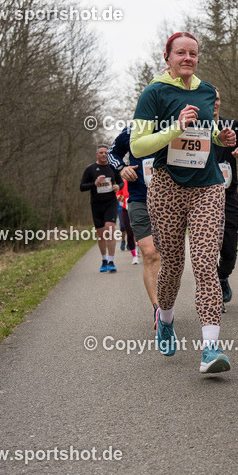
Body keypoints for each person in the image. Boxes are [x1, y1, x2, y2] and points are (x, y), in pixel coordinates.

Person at [130, 32, 238, 375]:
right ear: (168, 56)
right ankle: (165, 319)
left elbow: (211, 130)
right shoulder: (154, 93)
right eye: (181, 53)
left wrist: (223, 136)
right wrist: (174, 129)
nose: (188, 58)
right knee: (173, 265)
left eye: (193, 53)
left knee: (206, 264)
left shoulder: (208, 91)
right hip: (166, 187)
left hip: (207, 186)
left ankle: (210, 348)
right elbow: (137, 147)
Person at [108, 125, 162, 330]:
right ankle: (158, 307)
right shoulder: (132, 130)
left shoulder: (173, 125)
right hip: (140, 199)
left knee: (170, 256)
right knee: (150, 253)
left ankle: (167, 303)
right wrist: (122, 168)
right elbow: (113, 153)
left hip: (170, 199)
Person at [212, 88, 238, 310]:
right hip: (203, 195)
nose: (214, 103)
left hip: (229, 194)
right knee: (208, 247)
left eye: (217, 99)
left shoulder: (232, 125)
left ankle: (222, 277)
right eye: (210, 99)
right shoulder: (197, 127)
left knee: (229, 251)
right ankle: (214, 294)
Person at [80, 145, 122, 273]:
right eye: (101, 153)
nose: (104, 154)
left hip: (111, 202)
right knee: (101, 234)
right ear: (97, 154)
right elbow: (82, 187)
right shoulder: (90, 169)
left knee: (110, 229)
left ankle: (111, 260)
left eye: (106, 153)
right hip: (96, 204)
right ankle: (104, 260)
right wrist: (95, 183)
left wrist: (117, 187)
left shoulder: (112, 167)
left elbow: (121, 182)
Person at [116, 181, 138, 264]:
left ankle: (138, 250)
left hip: (136, 209)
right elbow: (118, 194)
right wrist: (119, 197)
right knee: (129, 231)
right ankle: (134, 256)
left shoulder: (138, 181)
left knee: (137, 231)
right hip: (125, 208)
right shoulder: (123, 183)